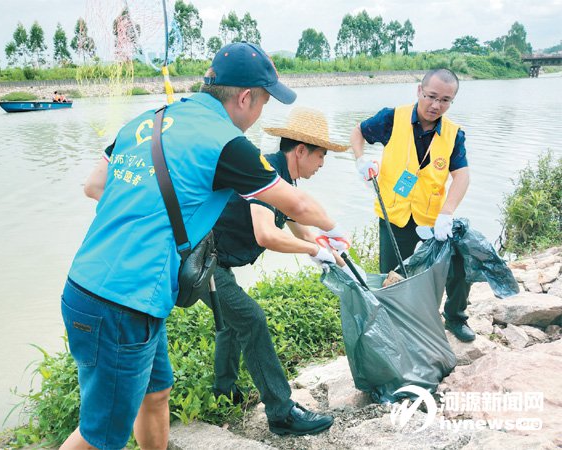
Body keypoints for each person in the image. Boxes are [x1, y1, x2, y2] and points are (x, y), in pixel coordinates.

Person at [61, 42, 348, 450]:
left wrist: (155, 212)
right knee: (100, 436)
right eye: (264, 102)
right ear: (246, 98)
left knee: (156, 394)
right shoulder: (227, 144)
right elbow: (297, 205)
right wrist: (335, 231)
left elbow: (94, 186)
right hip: (122, 300)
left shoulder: (146, 122)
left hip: (98, 284)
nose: (261, 112)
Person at [206, 107, 360, 436]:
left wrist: (340, 259)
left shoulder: (281, 179)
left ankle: (224, 392)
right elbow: (266, 235)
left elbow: (301, 229)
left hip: (214, 259)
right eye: (321, 155)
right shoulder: (264, 175)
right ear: (301, 151)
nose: (322, 164)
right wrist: (313, 250)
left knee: (233, 322)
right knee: (251, 319)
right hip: (200, 261)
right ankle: (281, 413)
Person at [351, 68, 474, 342]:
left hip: (433, 220)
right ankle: (394, 328)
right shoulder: (391, 118)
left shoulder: (454, 134)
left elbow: (462, 176)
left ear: (452, 100)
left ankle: (455, 318)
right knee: (392, 278)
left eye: (445, 100)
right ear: (419, 90)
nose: (435, 105)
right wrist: (360, 160)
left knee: (459, 265)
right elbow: (357, 132)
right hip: (394, 216)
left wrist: (447, 212)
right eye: (431, 96)